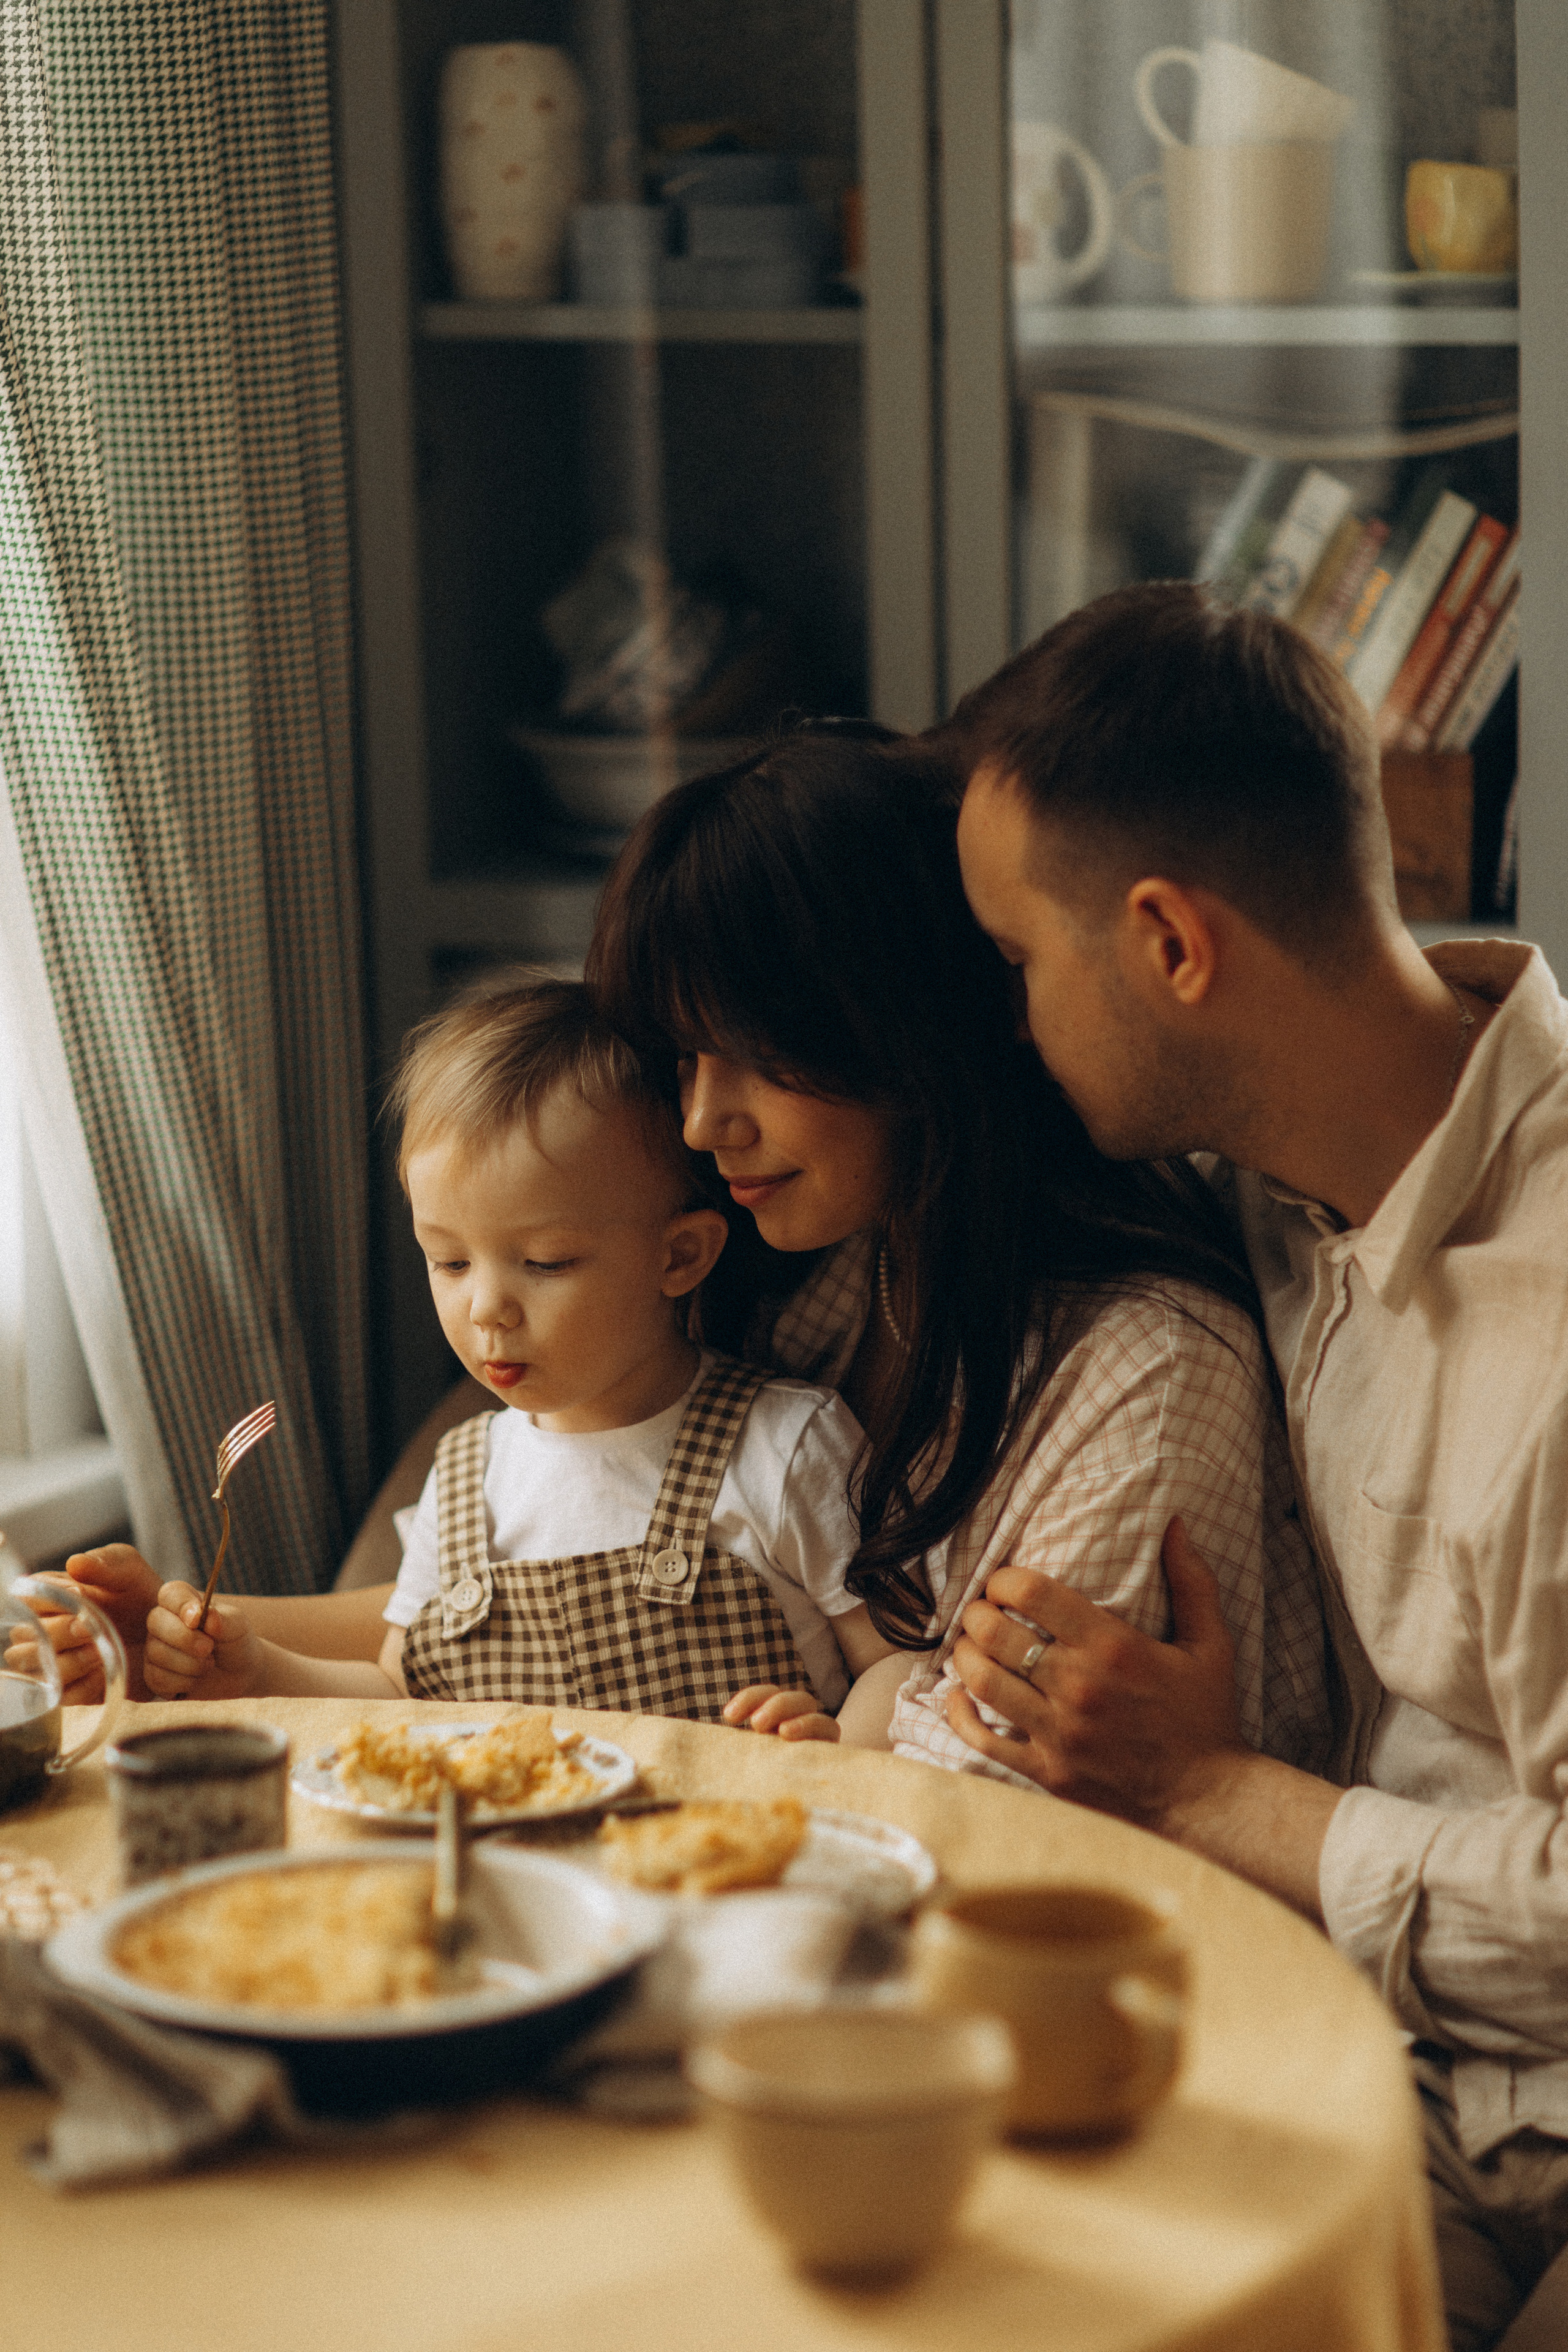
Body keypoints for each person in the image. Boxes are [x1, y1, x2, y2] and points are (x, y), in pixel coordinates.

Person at [940, 579, 1567, 2351]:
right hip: (1392, 2065)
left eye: (1017, 965)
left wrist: (1210, 1789)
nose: (1008, 1026)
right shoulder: (1286, 1172)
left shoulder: (1555, 1331)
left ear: (1171, 944)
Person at [584, 722, 1331, 1771]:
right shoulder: (824, 1274)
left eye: (757, 1054)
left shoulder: (1149, 1367)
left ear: (905, 1022)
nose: (706, 1122)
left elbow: (1000, 1777)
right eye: (684, 1059)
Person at [88, 976, 902, 1725]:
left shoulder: (787, 1448)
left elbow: (898, 1667)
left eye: (544, 1262)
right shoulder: (464, 1476)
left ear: (679, 1257)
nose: (487, 1309)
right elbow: (401, 1689)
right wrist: (259, 1667)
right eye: (448, 1261)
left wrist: (838, 1745)